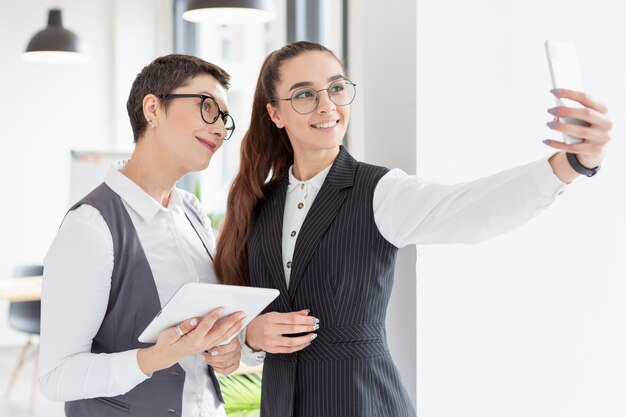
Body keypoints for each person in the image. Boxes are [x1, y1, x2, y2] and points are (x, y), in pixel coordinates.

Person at [214, 41, 612, 417]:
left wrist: (570, 164)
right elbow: (235, 326)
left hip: (362, 401)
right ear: (275, 113)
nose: (327, 106)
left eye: (336, 88)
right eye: (304, 94)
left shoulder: (379, 191)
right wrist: (252, 335)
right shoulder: (258, 204)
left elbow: (472, 208)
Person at [39, 54, 246, 417]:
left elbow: (200, 336)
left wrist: (226, 349)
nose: (219, 129)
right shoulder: (91, 226)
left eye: (224, 119)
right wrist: (154, 358)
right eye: (207, 108)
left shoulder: (192, 212)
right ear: (153, 108)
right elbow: (56, 376)